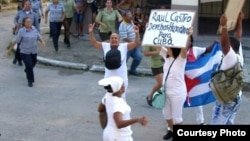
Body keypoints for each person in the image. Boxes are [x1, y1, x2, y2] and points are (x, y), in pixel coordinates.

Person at [88, 22, 140, 99]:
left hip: (122, 79)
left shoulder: (124, 46)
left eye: (116, 38)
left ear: (119, 40)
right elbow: (94, 42)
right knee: (109, 98)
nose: (114, 39)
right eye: (112, 38)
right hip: (109, 79)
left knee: (121, 99)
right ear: (109, 40)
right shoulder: (105, 46)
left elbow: (136, 43)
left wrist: (137, 33)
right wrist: (90, 32)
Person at [211, 12, 244, 125]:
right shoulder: (239, 53)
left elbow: (225, 45)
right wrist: (240, 21)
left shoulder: (230, 57)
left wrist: (224, 26)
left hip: (226, 100)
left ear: (231, 48)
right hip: (235, 97)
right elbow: (238, 36)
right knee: (228, 123)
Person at [160, 28, 193, 141]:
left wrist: (188, 35)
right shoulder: (166, 56)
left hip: (178, 93)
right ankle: (172, 131)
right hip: (166, 91)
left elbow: (184, 49)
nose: (166, 48)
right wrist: (151, 30)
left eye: (169, 47)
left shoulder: (181, 58)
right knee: (166, 115)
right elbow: (156, 43)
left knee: (177, 118)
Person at [97, 76, 149, 141]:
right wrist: (137, 119)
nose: (124, 86)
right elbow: (119, 124)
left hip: (108, 133)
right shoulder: (118, 104)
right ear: (120, 88)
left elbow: (100, 109)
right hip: (120, 137)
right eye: (123, 85)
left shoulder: (107, 96)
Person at [7, 17, 46, 87]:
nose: (29, 23)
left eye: (30, 22)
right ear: (24, 23)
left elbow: (38, 36)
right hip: (24, 51)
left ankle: (27, 70)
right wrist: (10, 49)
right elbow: (16, 40)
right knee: (29, 65)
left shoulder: (34, 29)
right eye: (27, 22)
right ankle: (30, 80)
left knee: (32, 64)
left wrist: (42, 42)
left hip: (33, 51)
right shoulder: (21, 31)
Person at [13, 0, 39, 66]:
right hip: (20, 32)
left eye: (28, 4)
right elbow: (15, 19)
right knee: (19, 47)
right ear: (23, 5)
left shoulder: (34, 14)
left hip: (29, 34)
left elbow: (36, 24)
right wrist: (16, 24)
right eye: (25, 4)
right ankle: (19, 60)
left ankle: (17, 57)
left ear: (31, 5)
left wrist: (38, 34)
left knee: (23, 48)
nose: (27, 5)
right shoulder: (20, 12)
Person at [119, 10, 142, 76]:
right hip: (126, 46)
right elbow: (124, 38)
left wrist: (137, 41)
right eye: (128, 15)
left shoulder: (131, 22)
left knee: (138, 57)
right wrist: (135, 43)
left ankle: (132, 70)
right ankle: (120, 72)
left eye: (131, 15)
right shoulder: (122, 25)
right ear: (124, 17)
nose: (131, 16)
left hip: (134, 45)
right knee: (123, 60)